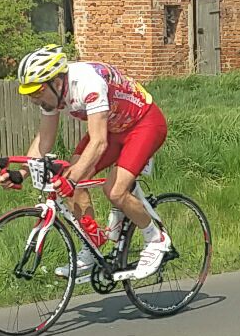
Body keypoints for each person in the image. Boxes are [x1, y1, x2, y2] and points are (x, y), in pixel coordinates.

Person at [14, 46, 172, 281]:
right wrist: (21, 173)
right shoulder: (52, 96)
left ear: (56, 82)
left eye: (37, 92)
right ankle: (92, 243)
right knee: (70, 181)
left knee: (114, 191)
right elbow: (45, 139)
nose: (34, 99)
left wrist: (73, 179)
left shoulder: (88, 83)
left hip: (144, 125)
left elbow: (98, 142)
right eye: (29, 94)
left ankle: (156, 239)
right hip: (113, 128)